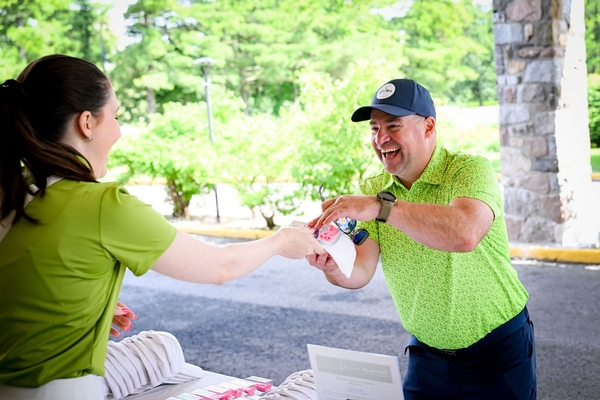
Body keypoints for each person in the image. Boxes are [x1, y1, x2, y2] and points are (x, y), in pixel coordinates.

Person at [0, 54, 324, 399]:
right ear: (87, 123)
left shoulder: (13, 192)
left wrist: (77, 304)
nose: (120, 130)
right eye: (116, 115)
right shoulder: (100, 204)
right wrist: (283, 240)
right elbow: (220, 267)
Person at [307, 78, 536, 399]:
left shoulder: (468, 170)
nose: (380, 138)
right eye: (374, 128)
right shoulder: (374, 186)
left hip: (497, 351)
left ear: (428, 127)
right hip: (426, 355)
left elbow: (464, 233)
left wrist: (379, 207)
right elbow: (360, 271)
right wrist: (332, 266)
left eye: (393, 125)